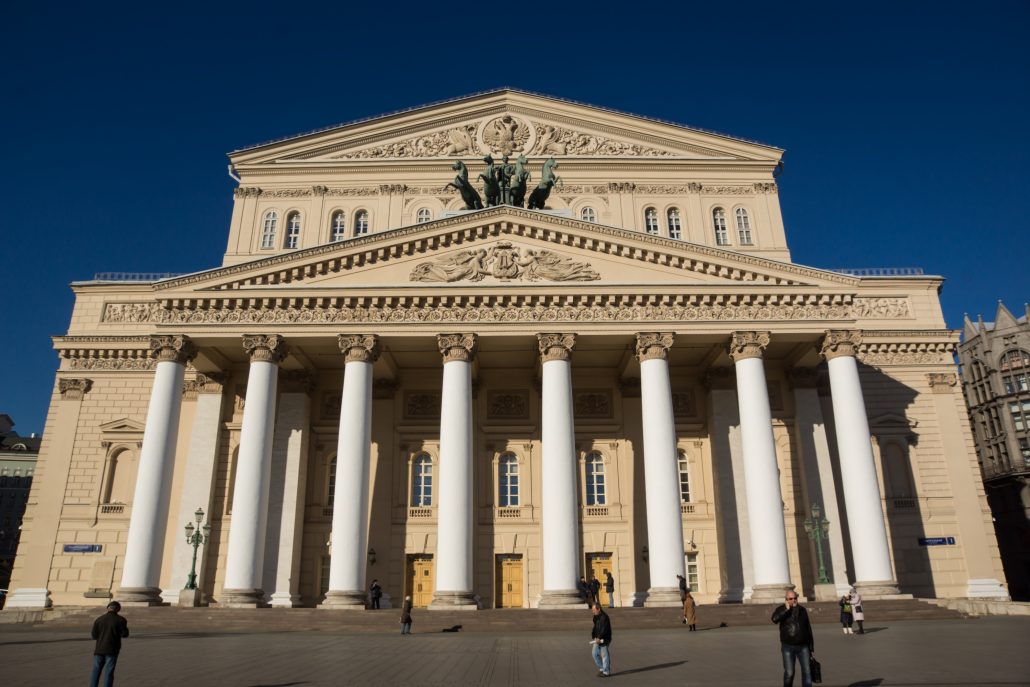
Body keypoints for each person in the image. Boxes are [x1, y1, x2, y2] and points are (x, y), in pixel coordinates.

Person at [771, 591, 814, 687]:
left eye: (795, 598)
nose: (793, 600)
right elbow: (774, 619)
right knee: (789, 673)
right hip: (788, 646)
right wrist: (786, 610)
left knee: (807, 673)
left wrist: (811, 647)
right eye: (790, 599)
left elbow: (808, 628)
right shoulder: (781, 609)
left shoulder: (802, 610)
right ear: (786, 600)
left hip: (803, 647)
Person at [90, 600, 129, 687]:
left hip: (99, 649)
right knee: (109, 671)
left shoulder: (99, 619)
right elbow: (125, 634)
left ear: (108, 608)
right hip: (112, 649)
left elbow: (94, 636)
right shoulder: (121, 620)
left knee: (96, 670)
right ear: (118, 609)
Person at [590, 602, 612, 678]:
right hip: (597, 639)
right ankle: (602, 668)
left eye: (594, 610)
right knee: (594, 654)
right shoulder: (595, 617)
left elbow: (604, 629)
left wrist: (599, 637)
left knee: (604, 655)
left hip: (604, 639)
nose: (593, 611)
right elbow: (595, 627)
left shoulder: (604, 617)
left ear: (598, 609)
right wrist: (594, 636)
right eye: (592, 610)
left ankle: (606, 672)